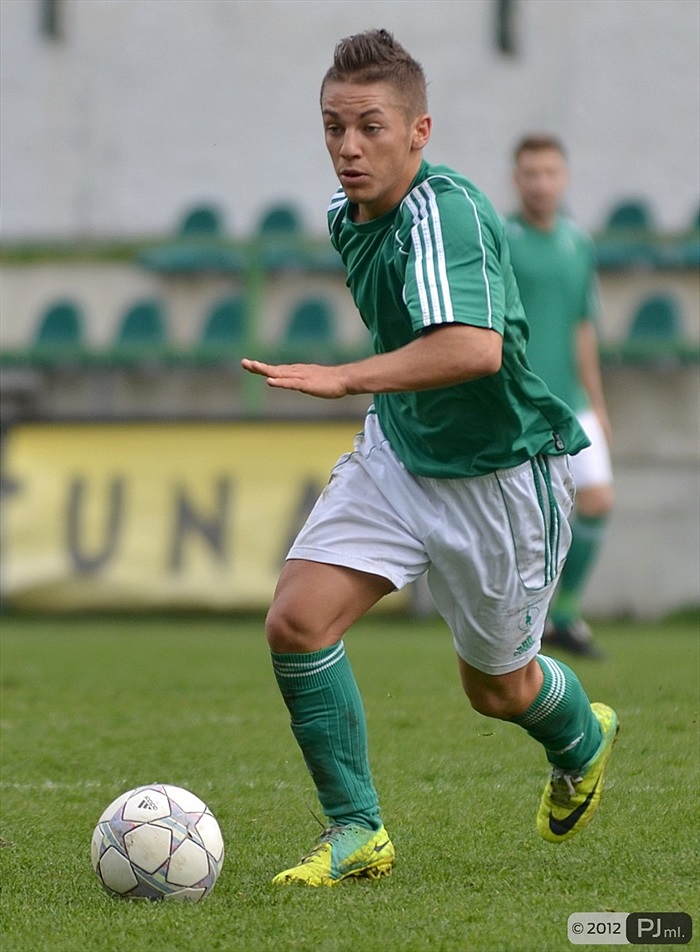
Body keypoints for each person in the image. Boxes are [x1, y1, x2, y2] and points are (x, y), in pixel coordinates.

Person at [242, 29, 619, 887]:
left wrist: (345, 376)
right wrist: (373, 395)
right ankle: (357, 831)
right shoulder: (345, 216)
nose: (348, 147)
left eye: (369, 127)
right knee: (296, 622)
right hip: (400, 455)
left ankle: (582, 738)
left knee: (498, 691)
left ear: (420, 132)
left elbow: (475, 349)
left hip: (501, 478)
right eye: (333, 127)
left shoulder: (445, 210)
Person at [506, 136, 614, 658]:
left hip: (573, 402)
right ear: (516, 179)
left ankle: (565, 614)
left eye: (550, 173)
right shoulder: (502, 238)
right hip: (521, 402)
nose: (541, 183)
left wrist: (599, 403)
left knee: (598, 501)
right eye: (531, 173)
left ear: (564, 178)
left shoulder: (577, 242)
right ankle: (529, 624)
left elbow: (583, 328)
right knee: (530, 527)